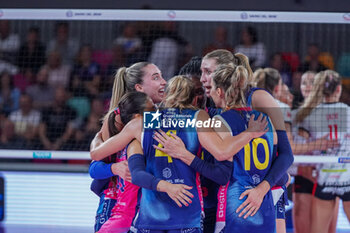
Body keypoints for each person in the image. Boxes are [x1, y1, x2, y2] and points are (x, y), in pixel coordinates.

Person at [89, 62, 167, 232]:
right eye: (156, 77)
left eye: (161, 75)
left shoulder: (160, 114)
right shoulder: (119, 117)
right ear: (139, 87)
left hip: (147, 206)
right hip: (117, 204)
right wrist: (115, 168)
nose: (164, 82)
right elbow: (94, 167)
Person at [295, 70, 350, 233]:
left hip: (325, 179)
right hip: (347, 179)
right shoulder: (347, 111)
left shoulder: (309, 114)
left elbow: (298, 145)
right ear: (339, 89)